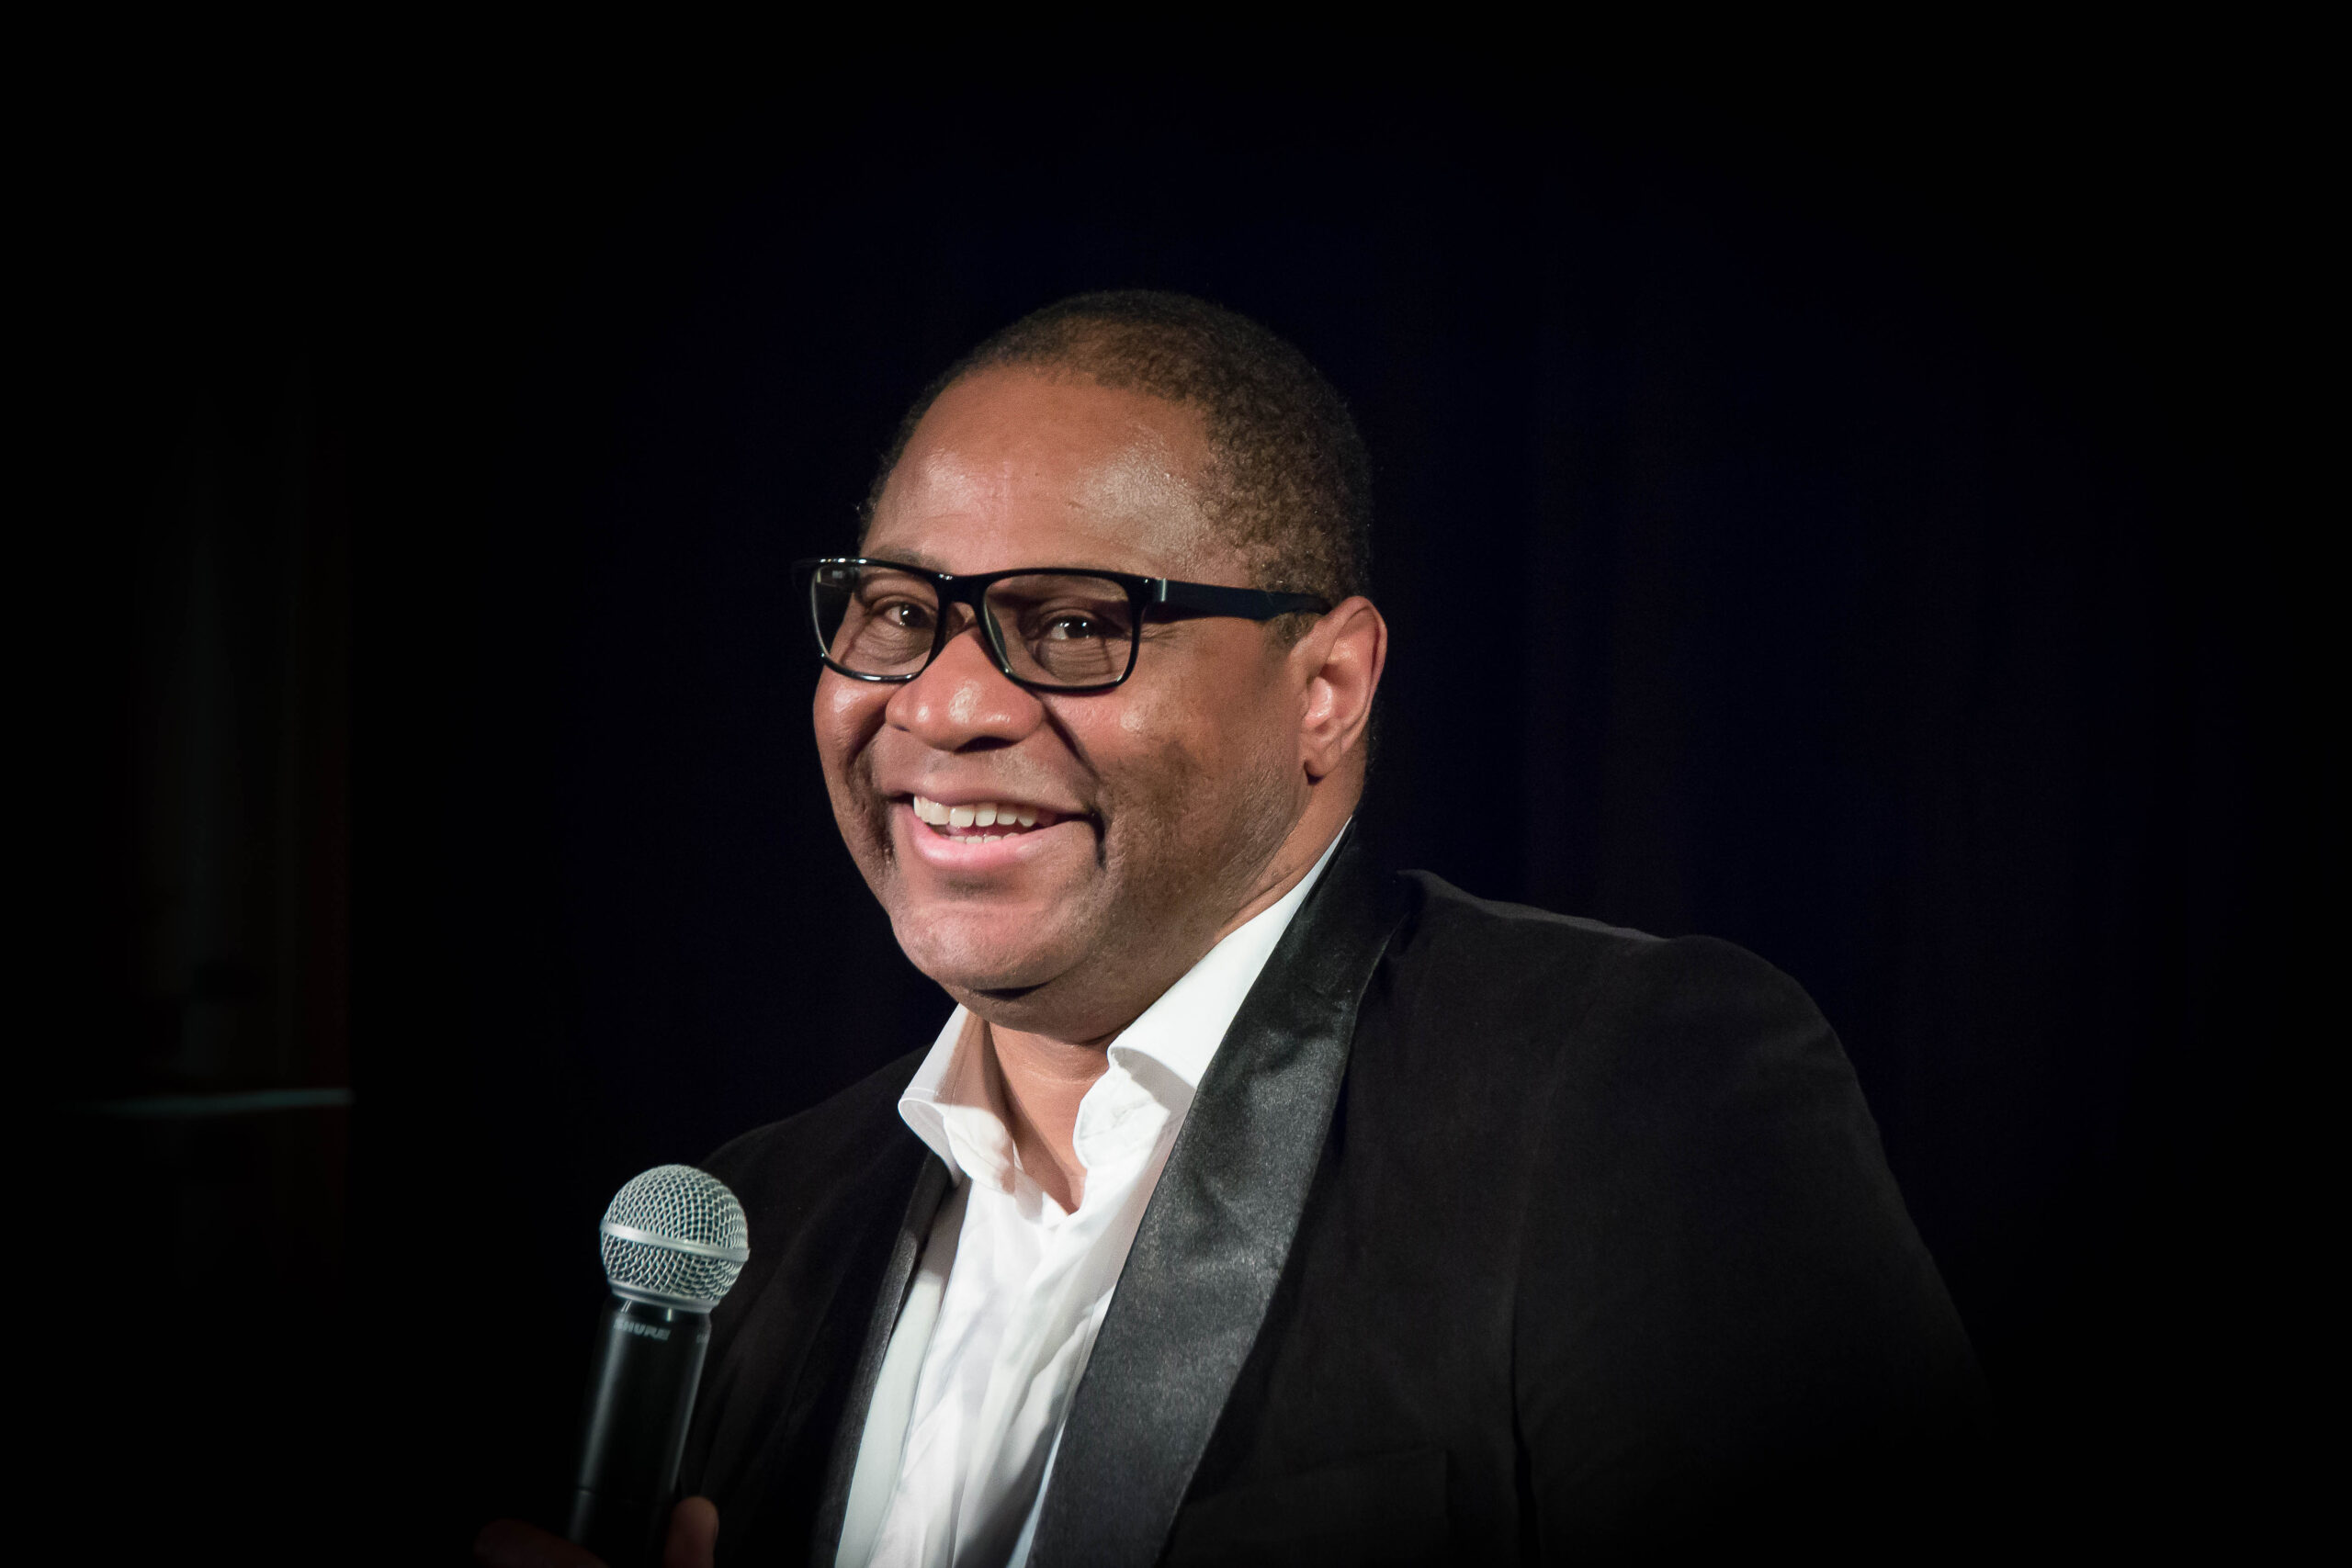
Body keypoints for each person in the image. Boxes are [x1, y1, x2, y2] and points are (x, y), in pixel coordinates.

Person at [479, 291, 1985, 1568]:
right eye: (898, 612)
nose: (944, 704)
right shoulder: (756, 1226)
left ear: (1326, 689)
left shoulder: (1628, 1103)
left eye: (1075, 624)